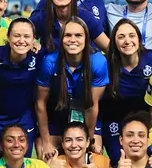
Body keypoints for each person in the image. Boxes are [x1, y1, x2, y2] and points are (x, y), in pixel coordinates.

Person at [36, 17, 109, 157]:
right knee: (44, 155)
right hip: (56, 118)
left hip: (85, 118)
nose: (73, 40)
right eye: (68, 35)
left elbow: (92, 105)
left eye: (78, 35)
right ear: (61, 38)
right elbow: (41, 103)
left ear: (86, 39)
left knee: (94, 157)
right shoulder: (49, 62)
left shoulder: (98, 62)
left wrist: (90, 139)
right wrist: (46, 142)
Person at [101, 19, 152, 162]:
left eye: (132, 35)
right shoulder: (105, 64)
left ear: (139, 39)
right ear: (114, 42)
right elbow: (96, 103)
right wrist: (97, 133)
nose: (127, 41)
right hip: (115, 121)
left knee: (148, 162)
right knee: (121, 163)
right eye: (121, 37)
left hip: (146, 121)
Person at [0, 17, 41, 167]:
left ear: (34, 39)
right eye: (16, 36)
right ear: (8, 38)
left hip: (23, 118)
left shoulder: (38, 57)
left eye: (27, 36)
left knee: (20, 165)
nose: (21, 40)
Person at [29, 0, 109, 53]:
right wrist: (32, 42)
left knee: (98, 60)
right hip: (50, 64)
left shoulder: (86, 17)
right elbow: (21, 32)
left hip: (81, 64)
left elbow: (108, 47)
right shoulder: (42, 17)